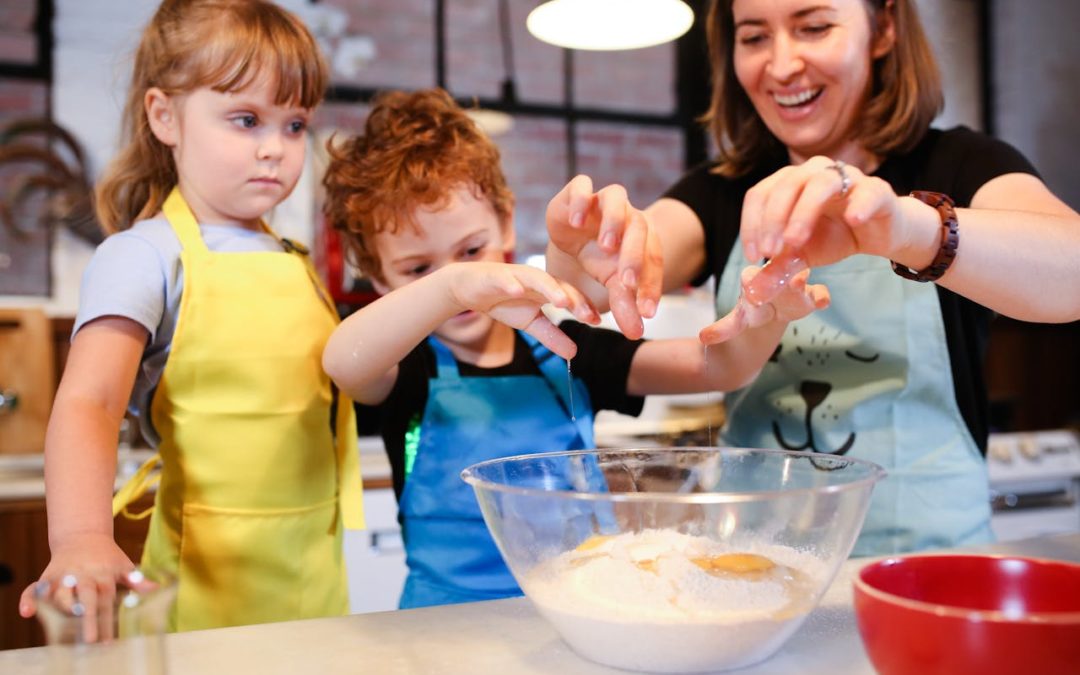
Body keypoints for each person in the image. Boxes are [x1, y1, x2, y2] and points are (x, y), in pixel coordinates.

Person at [545, 0, 1080, 556]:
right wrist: (582, 253)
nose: (781, 66)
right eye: (754, 37)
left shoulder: (961, 166)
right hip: (752, 567)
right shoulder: (719, 192)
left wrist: (906, 227)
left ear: (884, 28)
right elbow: (604, 282)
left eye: (814, 27)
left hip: (931, 570)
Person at [320, 88, 830, 608]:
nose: (463, 279)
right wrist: (450, 286)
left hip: (578, 607)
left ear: (505, 222)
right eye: (417, 270)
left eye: (471, 252)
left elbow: (719, 366)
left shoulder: (566, 350)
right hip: (437, 626)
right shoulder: (405, 367)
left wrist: (768, 320)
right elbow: (343, 362)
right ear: (380, 280)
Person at [18, 0, 364, 633]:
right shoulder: (143, 255)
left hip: (316, 575)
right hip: (202, 588)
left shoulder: (297, 260)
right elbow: (89, 403)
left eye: (294, 126)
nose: (276, 150)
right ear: (165, 116)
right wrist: (80, 536)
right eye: (246, 119)